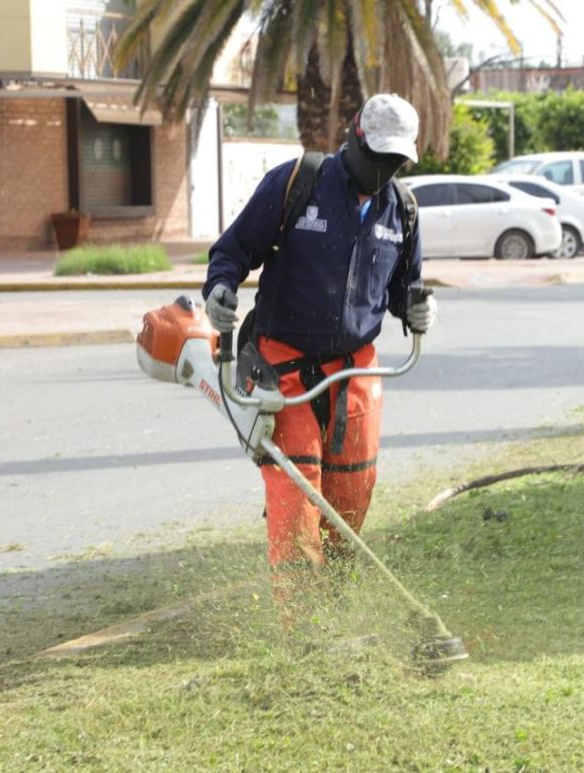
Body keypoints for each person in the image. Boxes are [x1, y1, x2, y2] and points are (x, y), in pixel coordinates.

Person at [202, 93, 437, 612]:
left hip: (354, 371)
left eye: (397, 161)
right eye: (379, 158)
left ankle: (334, 607)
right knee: (297, 494)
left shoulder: (402, 211)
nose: (386, 170)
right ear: (355, 138)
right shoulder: (297, 183)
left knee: (351, 496)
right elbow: (232, 251)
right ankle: (303, 628)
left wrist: (418, 309)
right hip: (283, 363)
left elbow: (404, 289)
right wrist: (220, 288)